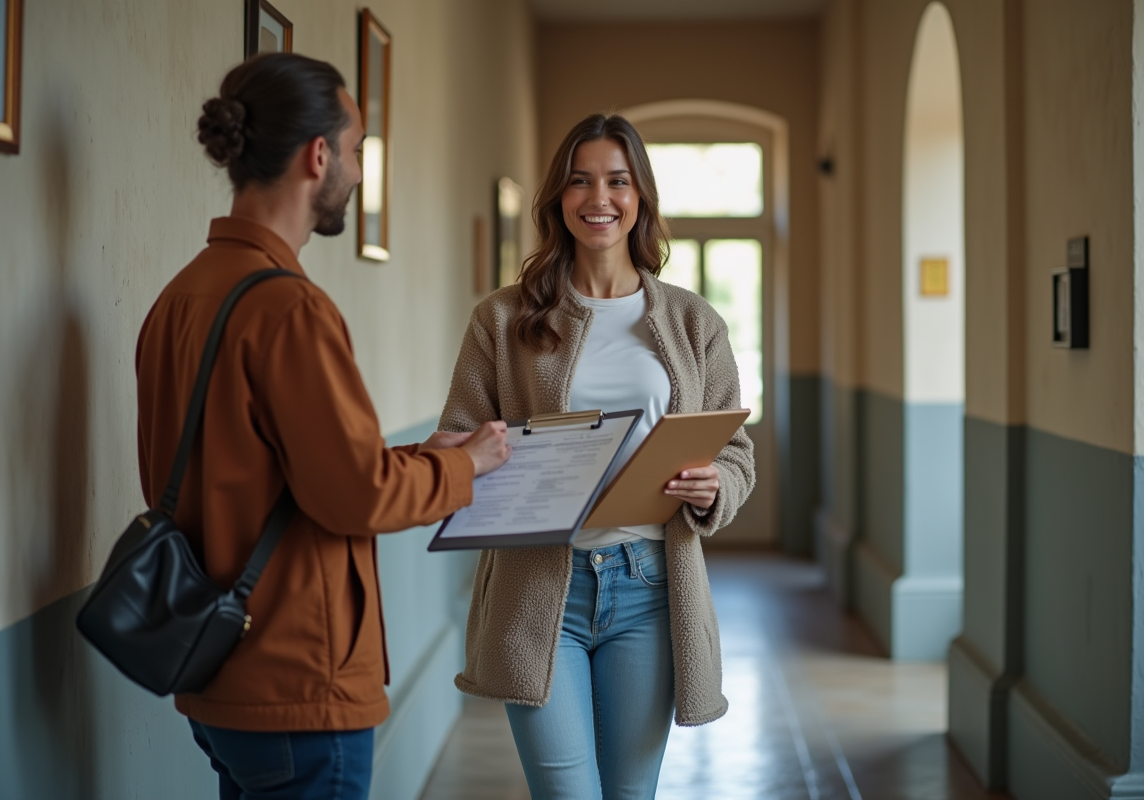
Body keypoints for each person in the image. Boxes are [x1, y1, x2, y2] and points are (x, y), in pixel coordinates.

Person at [136, 53, 510, 800]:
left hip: (214, 667)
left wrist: (415, 457)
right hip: (297, 679)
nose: (361, 172)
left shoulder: (180, 296)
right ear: (318, 156)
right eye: (359, 151)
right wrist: (468, 465)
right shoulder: (290, 309)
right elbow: (356, 497)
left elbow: (272, 469)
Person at [439, 113, 756, 799]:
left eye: (617, 181)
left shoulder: (694, 321)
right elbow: (455, 439)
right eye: (580, 182)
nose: (599, 198)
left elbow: (735, 452)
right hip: (538, 589)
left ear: (641, 196)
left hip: (649, 589)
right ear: (558, 198)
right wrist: (481, 454)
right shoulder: (502, 319)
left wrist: (714, 486)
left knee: (629, 793)